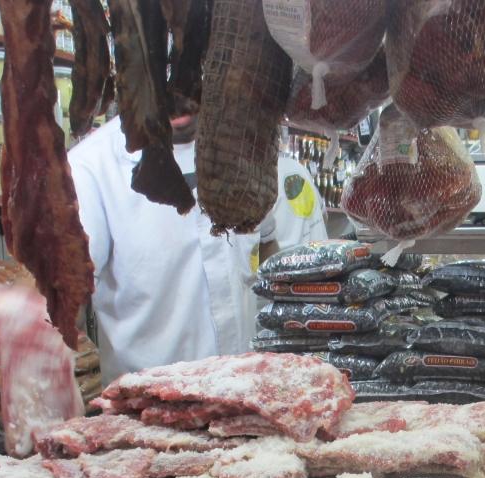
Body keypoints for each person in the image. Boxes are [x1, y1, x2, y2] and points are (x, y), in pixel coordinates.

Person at [70, 112, 326, 383]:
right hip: (149, 401)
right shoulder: (90, 169)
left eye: (188, 87)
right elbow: (64, 311)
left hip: (245, 393)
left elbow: (267, 248)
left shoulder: (243, 144)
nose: (177, 97)